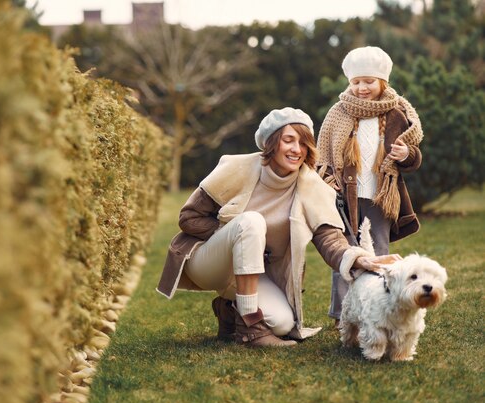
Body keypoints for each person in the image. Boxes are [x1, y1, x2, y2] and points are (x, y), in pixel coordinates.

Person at [157, 107, 400, 347]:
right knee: (252, 221)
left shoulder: (311, 186)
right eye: (288, 140)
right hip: (211, 262)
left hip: (252, 272)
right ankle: (249, 327)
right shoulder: (239, 167)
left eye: (304, 143)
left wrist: (361, 259)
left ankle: (231, 311)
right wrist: (234, 238)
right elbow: (189, 217)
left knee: (283, 324)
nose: (297, 150)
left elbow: (330, 240)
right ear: (272, 143)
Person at [316, 46, 424, 327]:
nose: (362, 88)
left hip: (381, 196)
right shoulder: (339, 113)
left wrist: (406, 155)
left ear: (382, 82)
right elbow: (323, 154)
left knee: (378, 252)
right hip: (346, 197)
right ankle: (343, 315)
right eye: (356, 82)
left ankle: (379, 309)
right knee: (348, 254)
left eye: (368, 81)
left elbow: (412, 154)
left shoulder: (397, 113)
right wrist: (329, 181)